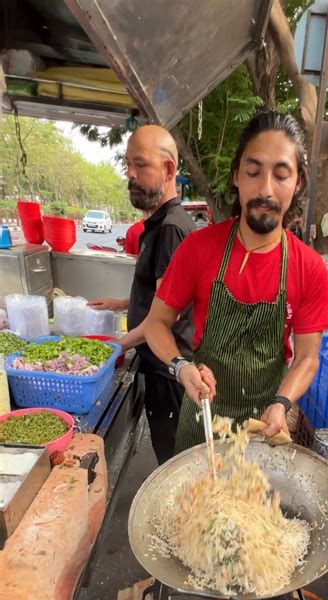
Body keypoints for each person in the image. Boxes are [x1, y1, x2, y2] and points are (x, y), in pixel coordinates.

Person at [143, 111, 328, 453]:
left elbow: (307, 357)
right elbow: (156, 322)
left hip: (264, 424)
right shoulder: (198, 248)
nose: (265, 190)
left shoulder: (309, 267)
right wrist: (181, 366)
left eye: (281, 175)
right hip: (201, 415)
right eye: (253, 172)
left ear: (298, 183)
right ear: (236, 177)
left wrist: (283, 403)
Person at [87, 125, 195, 463]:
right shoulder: (161, 223)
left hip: (169, 372)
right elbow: (163, 296)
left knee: (174, 463)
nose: (130, 175)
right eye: (127, 165)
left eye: (140, 165)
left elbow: (166, 316)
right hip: (163, 367)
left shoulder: (170, 230)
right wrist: (122, 304)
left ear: (168, 170)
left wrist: (115, 347)